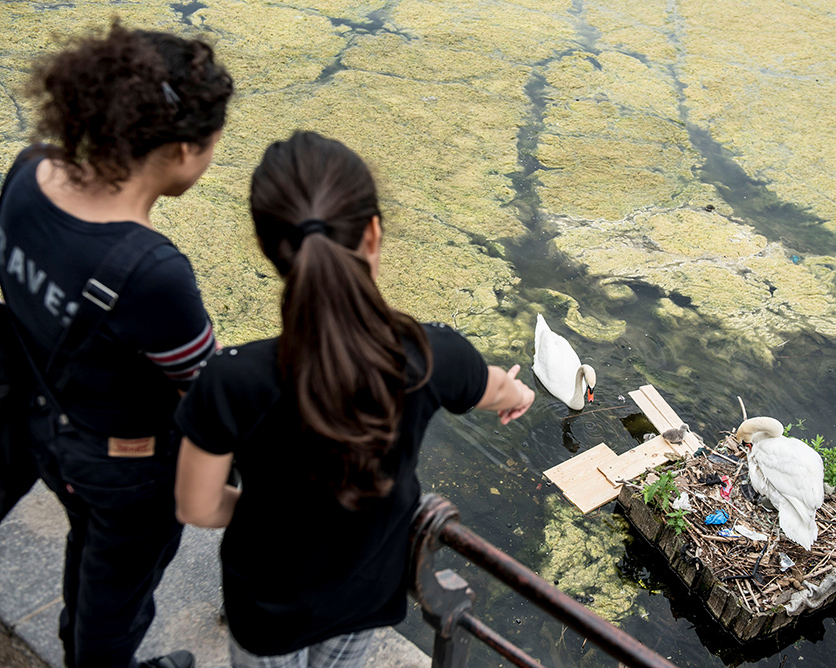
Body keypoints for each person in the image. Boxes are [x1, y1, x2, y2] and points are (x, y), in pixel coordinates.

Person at [174, 130, 535, 668]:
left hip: (268, 609)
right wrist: (516, 391)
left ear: (268, 246)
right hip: (366, 598)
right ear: (372, 232)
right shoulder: (430, 353)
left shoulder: (228, 381)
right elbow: (498, 389)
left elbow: (196, 506)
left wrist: (271, 512)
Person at [0, 23, 233, 668]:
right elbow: (206, 395)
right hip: (119, 468)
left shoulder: (28, 173)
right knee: (111, 600)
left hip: (32, 416)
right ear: (185, 148)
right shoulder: (153, 272)